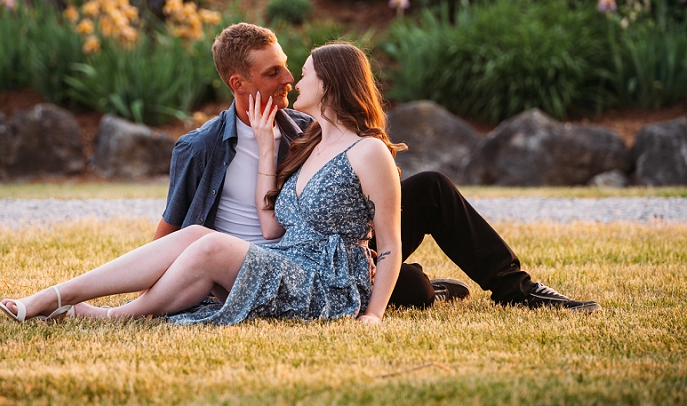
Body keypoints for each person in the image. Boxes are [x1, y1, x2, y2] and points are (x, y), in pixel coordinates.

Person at [155, 22, 600, 312]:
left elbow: (357, 191)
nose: (289, 80)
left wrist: (366, 239)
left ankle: (516, 288)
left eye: (292, 69)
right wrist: (157, 294)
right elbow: (171, 230)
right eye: (274, 73)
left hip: (333, 250)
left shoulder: (305, 126)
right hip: (272, 262)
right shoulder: (200, 148)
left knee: (431, 188)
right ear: (239, 83)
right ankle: (419, 280)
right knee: (414, 290)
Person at [0, 43, 403, 324]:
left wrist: (373, 315)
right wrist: (265, 148)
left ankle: (102, 314)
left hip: (327, 285)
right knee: (194, 233)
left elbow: (389, 245)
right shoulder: (309, 141)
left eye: (304, 75)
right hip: (288, 260)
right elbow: (271, 230)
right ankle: (57, 295)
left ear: (329, 84)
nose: (294, 82)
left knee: (208, 243)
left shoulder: (368, 152)